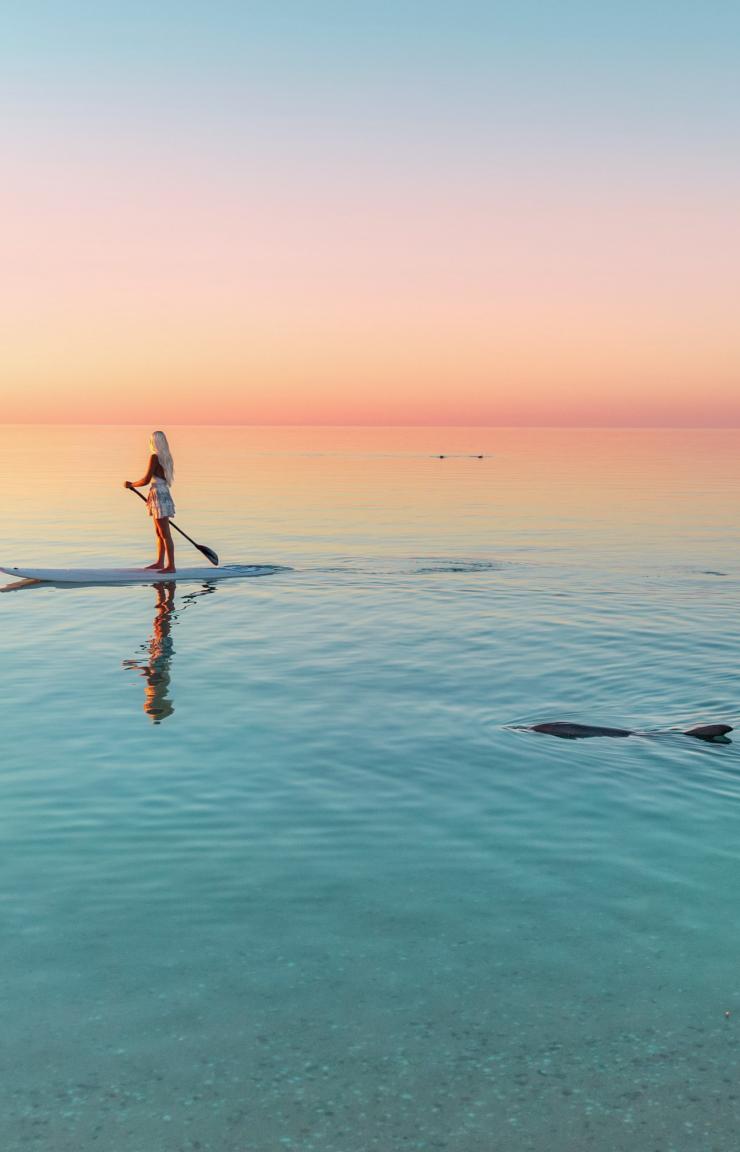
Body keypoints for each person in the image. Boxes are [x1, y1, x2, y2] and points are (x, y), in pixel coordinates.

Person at [124, 431, 176, 572]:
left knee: (165, 533)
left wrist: (131, 484)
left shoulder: (154, 457)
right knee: (159, 532)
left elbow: (146, 480)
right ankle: (160, 562)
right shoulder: (167, 457)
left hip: (159, 494)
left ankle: (171, 566)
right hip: (161, 493)